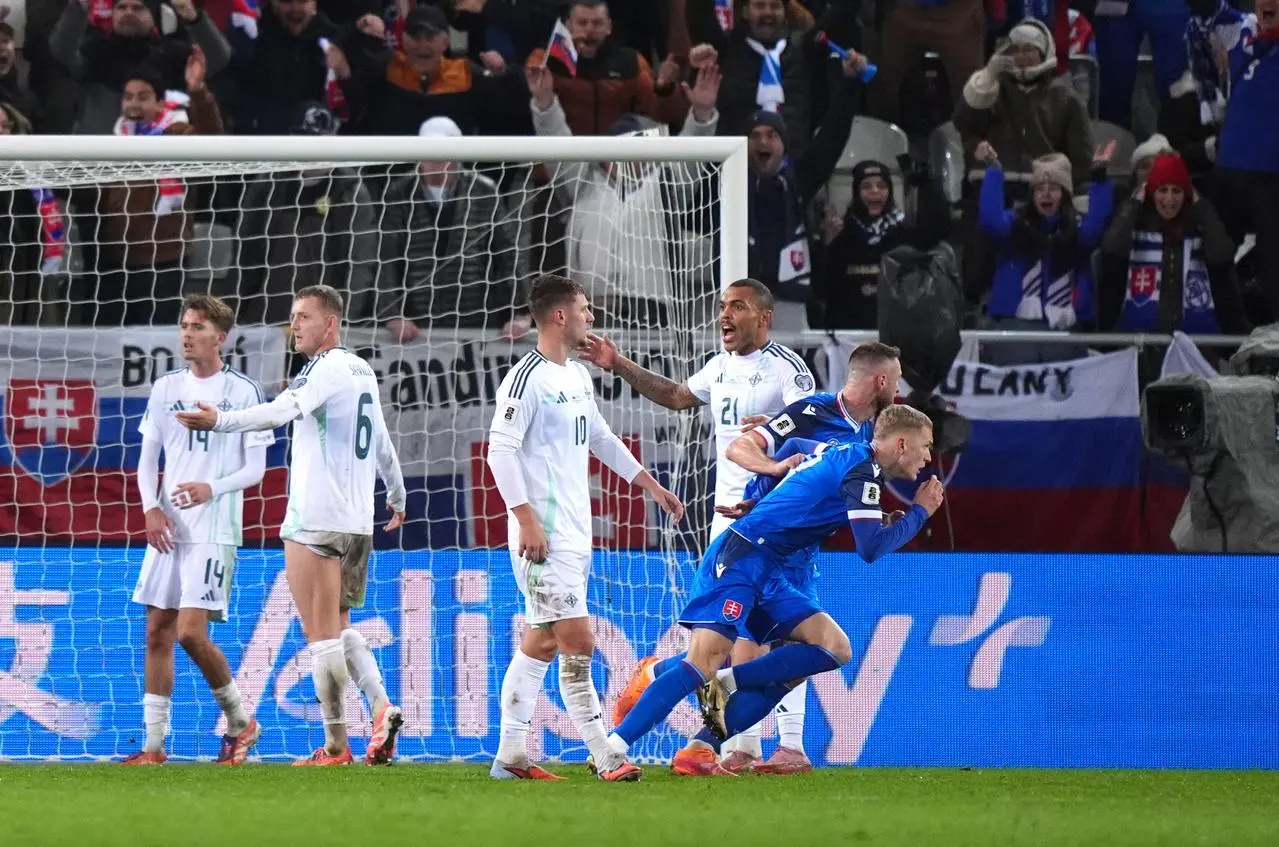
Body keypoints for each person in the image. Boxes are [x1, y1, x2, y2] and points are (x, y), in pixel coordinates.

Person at [593, 405, 943, 774]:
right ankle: (610, 750)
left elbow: (800, 446)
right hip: (743, 557)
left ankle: (718, 704)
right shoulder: (862, 470)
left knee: (831, 649)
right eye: (926, 445)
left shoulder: (845, 452)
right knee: (701, 663)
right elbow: (870, 548)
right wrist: (920, 511)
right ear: (902, 443)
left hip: (770, 568)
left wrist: (761, 497)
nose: (928, 456)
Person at [578, 277, 816, 773]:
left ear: (764, 317)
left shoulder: (788, 371)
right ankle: (722, 734)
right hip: (730, 528)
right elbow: (678, 396)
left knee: (767, 638)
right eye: (722, 307)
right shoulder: (719, 367)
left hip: (777, 522)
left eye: (737, 307)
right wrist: (618, 364)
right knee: (752, 641)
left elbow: (813, 436)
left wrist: (777, 435)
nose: (724, 316)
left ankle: (744, 745)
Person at [176, 284, 408, 766]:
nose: (294, 326)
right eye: (292, 316)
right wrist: (398, 493)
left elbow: (282, 412)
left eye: (303, 316)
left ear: (330, 323)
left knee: (320, 635)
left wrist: (219, 419)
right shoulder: (361, 369)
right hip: (358, 521)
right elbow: (382, 439)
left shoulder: (321, 370)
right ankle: (382, 705)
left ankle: (336, 746)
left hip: (315, 518)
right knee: (341, 627)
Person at [486, 274, 685, 782]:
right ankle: (606, 755)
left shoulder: (575, 376)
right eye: (585, 309)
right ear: (559, 316)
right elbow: (500, 450)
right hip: (541, 539)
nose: (591, 317)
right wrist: (525, 519)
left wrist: (650, 484)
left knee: (543, 642)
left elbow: (599, 437)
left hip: (576, 534)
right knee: (578, 642)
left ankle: (510, 758)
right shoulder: (525, 378)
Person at [122, 295, 270, 766]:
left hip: (214, 527)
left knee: (189, 633)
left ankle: (241, 722)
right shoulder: (166, 388)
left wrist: (212, 487)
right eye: (184, 325)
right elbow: (148, 460)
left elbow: (256, 470)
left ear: (220, 337)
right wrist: (150, 508)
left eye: (197, 327)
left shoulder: (244, 392)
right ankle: (152, 748)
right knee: (156, 632)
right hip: (169, 526)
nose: (186, 334)